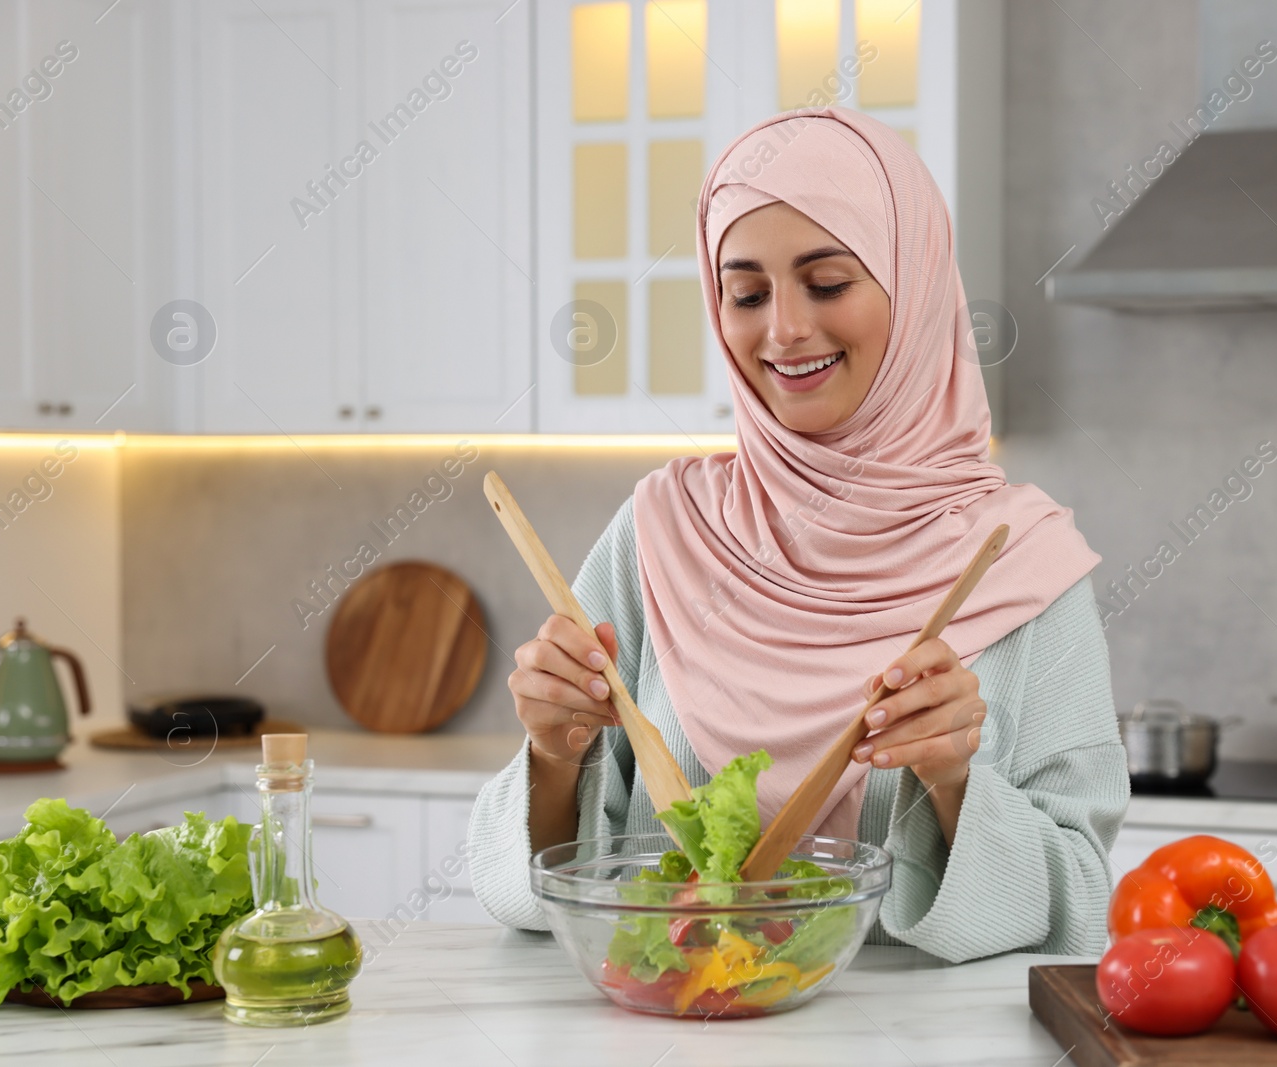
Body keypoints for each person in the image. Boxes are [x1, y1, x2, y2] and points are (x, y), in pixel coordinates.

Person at [468, 107, 1127, 962]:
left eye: (827, 283)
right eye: (745, 293)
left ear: (915, 284)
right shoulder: (661, 533)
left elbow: (1082, 902)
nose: (782, 329)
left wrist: (954, 781)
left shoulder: (1023, 564)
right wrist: (553, 757)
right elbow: (527, 893)